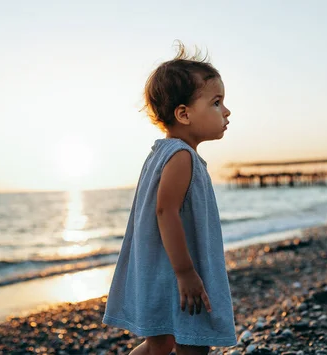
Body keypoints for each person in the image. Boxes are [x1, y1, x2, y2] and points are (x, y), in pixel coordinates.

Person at [102, 42, 236, 355]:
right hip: (176, 270)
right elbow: (165, 212)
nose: (227, 111)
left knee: (158, 344)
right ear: (184, 114)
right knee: (193, 342)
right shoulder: (180, 156)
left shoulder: (165, 154)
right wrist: (186, 273)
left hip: (161, 268)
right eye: (216, 103)